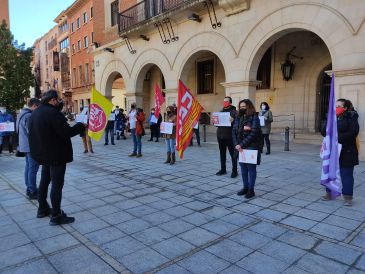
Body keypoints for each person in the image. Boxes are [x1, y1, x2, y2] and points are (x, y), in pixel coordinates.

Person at [28, 90, 85, 225]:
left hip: (44, 155)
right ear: (52, 100)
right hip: (56, 155)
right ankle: (56, 215)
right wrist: (80, 126)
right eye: (57, 100)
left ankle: (42, 208)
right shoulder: (53, 113)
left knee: (44, 181)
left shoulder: (35, 113)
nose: (59, 102)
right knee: (57, 185)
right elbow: (66, 132)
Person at [321, 99, 359, 206]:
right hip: (333, 151)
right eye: (335, 106)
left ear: (345, 108)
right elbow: (323, 132)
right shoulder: (331, 117)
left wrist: (336, 138)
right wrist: (328, 121)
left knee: (346, 174)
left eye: (339, 106)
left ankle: (348, 197)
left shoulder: (352, 117)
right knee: (330, 172)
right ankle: (329, 193)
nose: (336, 108)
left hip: (347, 151)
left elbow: (353, 133)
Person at [233, 99, 261, 199]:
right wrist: (236, 144)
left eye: (244, 107)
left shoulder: (254, 117)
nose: (242, 109)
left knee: (251, 168)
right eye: (240, 107)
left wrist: (241, 144)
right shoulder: (238, 117)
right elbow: (234, 131)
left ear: (249, 107)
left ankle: (251, 189)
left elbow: (254, 133)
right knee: (243, 168)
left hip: (251, 146)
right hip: (240, 147)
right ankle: (245, 187)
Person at [16, 98, 41, 199]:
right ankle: (32, 191)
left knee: (28, 167)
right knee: (33, 169)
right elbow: (32, 133)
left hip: (24, 145)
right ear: (34, 105)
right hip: (31, 146)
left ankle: (29, 188)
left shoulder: (21, 114)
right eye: (38, 107)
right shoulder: (29, 116)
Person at [216, 96, 238, 178]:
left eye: (226, 101)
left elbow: (237, 124)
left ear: (230, 102)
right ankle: (223, 169)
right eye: (224, 101)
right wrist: (215, 121)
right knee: (222, 154)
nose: (224, 102)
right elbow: (217, 124)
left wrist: (233, 121)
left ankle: (234, 171)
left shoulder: (235, 112)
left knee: (233, 154)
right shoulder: (221, 111)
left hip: (230, 136)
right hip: (220, 135)